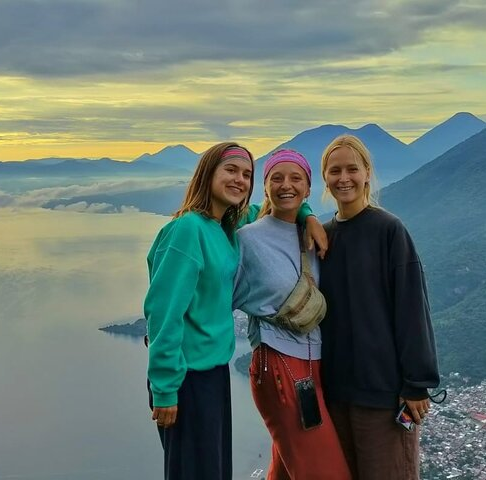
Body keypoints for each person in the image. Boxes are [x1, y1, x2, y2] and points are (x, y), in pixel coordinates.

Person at [144, 143, 327, 480]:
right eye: (230, 170)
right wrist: (165, 389)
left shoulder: (225, 224)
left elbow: (280, 202)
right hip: (186, 377)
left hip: (212, 371)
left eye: (246, 174)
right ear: (208, 173)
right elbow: (163, 313)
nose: (240, 180)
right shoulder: (188, 230)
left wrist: (308, 215)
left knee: (213, 471)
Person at [318, 135, 442, 480]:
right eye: (335, 171)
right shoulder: (324, 236)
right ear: (325, 179)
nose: (344, 178)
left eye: (352, 169)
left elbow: (412, 308)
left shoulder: (388, 230)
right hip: (337, 392)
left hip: (383, 394)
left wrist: (417, 383)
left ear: (367, 174)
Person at [233, 149, 351, 480]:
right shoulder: (247, 239)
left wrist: (308, 216)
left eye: (296, 178)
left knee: (286, 469)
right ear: (265, 186)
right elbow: (215, 295)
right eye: (277, 178)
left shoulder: (312, 233)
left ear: (308, 188)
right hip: (280, 366)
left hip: (316, 365)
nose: (287, 185)